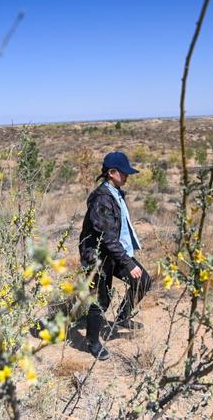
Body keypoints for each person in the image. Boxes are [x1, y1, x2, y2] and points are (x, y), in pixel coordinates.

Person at [78, 151, 153, 361]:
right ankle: (92, 341)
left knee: (143, 280)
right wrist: (128, 263)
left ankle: (122, 317)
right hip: (97, 257)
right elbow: (107, 238)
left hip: (114, 253)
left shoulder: (115, 193)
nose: (127, 176)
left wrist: (126, 259)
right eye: (123, 172)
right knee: (101, 299)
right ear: (111, 173)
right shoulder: (102, 199)